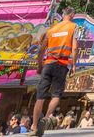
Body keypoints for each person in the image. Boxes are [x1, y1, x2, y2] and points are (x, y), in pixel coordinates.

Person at [30, 7, 77, 137]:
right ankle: (45, 119)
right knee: (56, 94)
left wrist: (39, 65)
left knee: (40, 96)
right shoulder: (73, 27)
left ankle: (34, 126)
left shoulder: (51, 29)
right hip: (61, 65)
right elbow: (75, 47)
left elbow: (41, 50)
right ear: (72, 15)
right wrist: (73, 65)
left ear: (62, 15)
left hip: (48, 64)